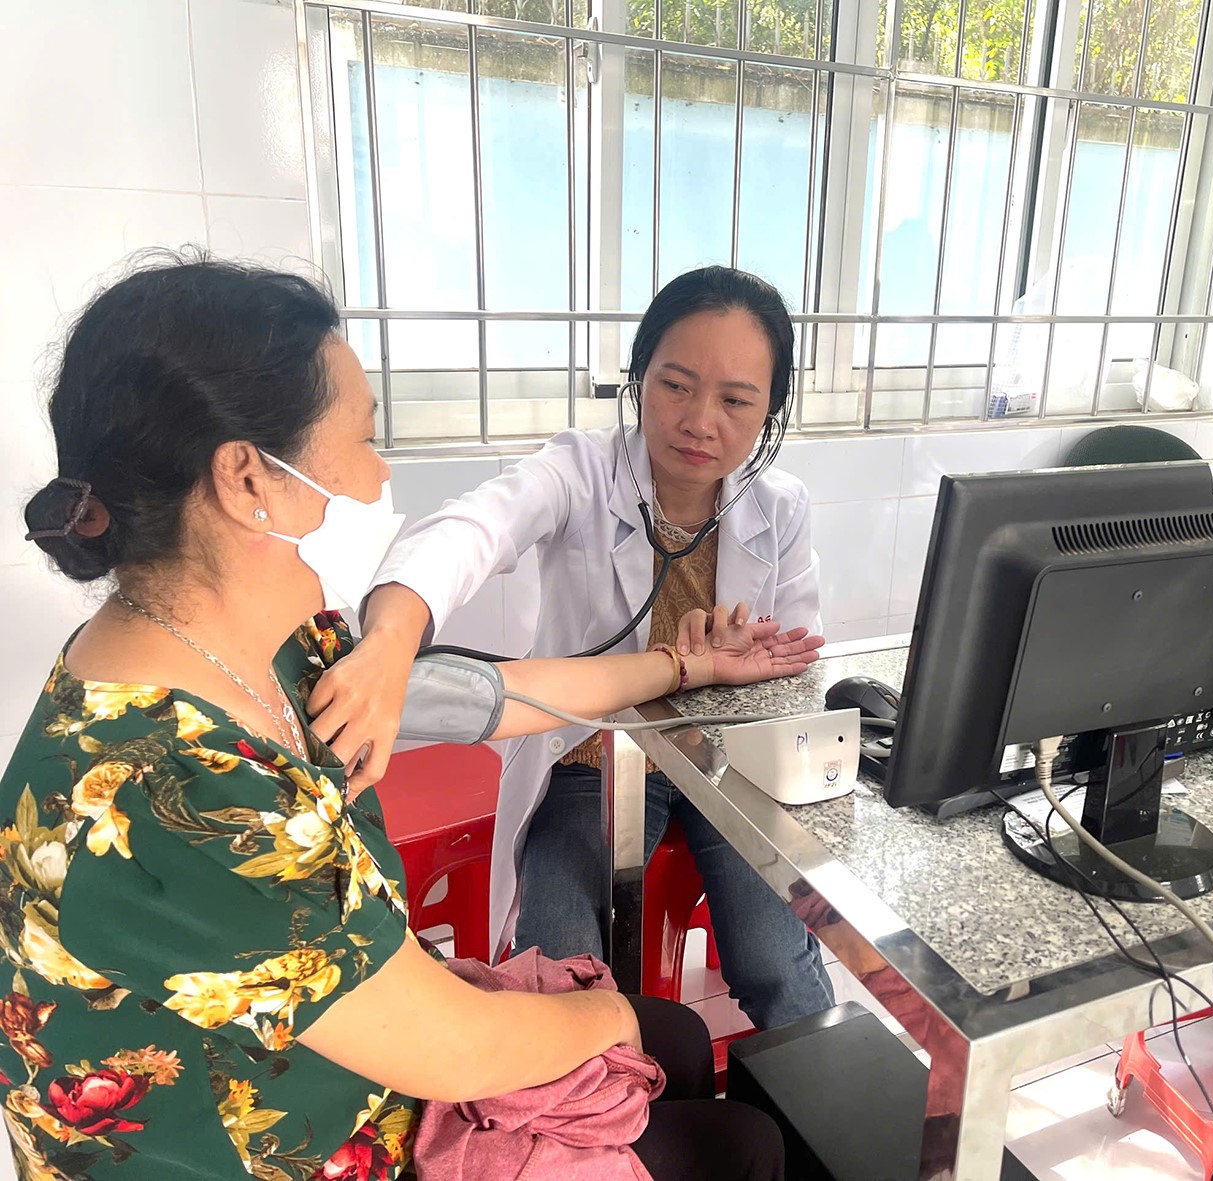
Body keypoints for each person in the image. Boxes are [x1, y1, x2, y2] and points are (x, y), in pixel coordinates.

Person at [0, 253, 795, 1180]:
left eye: (737, 399)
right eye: (363, 439)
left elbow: (493, 696)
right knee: (726, 1130)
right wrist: (610, 1013)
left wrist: (685, 665)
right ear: (247, 477)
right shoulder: (170, 785)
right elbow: (453, 1048)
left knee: (684, 1037)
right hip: (293, 1144)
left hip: (343, 1055)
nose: (379, 475)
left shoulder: (244, 645)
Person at [316, 266, 837, 1031]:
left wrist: (740, 673)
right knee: (562, 972)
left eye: (735, 400)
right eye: (676, 385)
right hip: (590, 756)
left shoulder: (779, 507)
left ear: (769, 410)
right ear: (637, 377)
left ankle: (822, 1102)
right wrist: (393, 636)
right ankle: (604, 1103)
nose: (700, 421)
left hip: (727, 766)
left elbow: (795, 663)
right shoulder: (581, 470)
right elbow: (474, 528)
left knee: (774, 964)